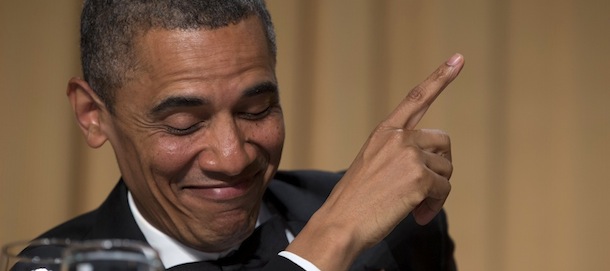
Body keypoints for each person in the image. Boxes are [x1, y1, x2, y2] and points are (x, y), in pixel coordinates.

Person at [34, 0, 464, 270]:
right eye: (184, 123)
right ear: (93, 115)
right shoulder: (53, 267)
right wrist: (323, 247)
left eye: (256, 110)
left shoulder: (393, 227)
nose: (232, 158)